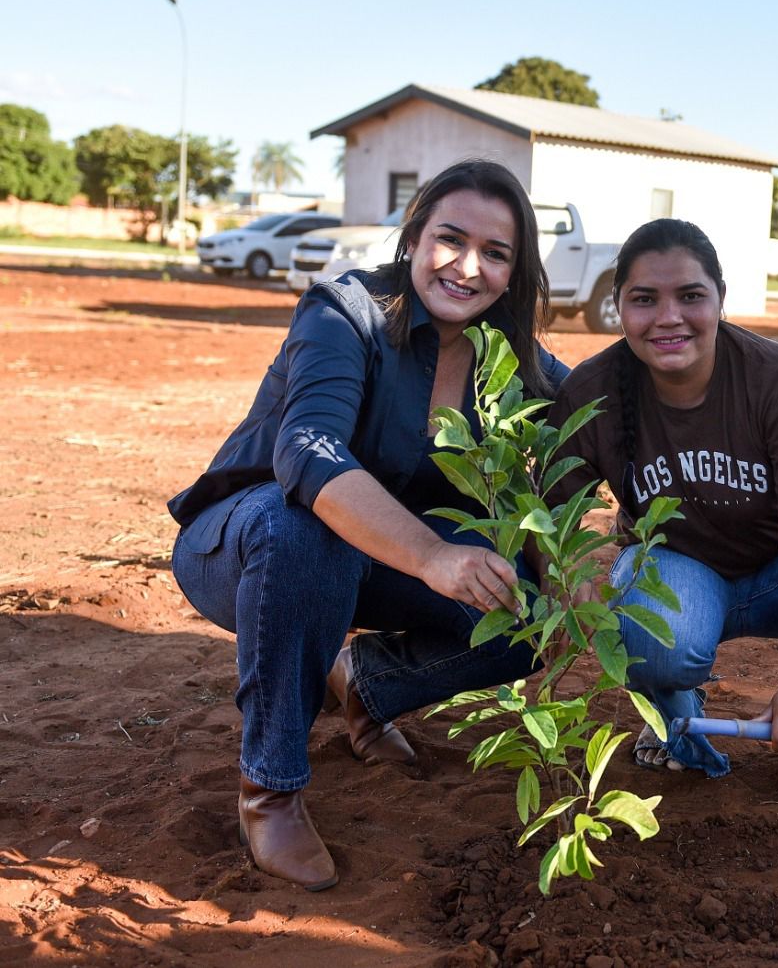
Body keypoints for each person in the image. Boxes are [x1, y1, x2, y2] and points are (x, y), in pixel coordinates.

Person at [168, 159, 569, 891]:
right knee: (305, 529)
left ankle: (364, 685)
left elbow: (600, 423)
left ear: (515, 273)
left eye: (496, 253)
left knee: (529, 617)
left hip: (373, 568)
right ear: (412, 238)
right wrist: (430, 553)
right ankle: (273, 787)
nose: (467, 266)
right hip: (249, 543)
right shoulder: (344, 312)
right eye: (450, 239)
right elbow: (307, 451)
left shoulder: (511, 362)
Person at [547, 218, 778, 812]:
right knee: (642, 614)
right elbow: (555, 528)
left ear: (721, 298)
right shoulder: (593, 391)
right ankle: (673, 716)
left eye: (690, 296)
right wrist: (579, 581)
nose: (668, 317)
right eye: (644, 299)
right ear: (617, 305)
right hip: (683, 576)